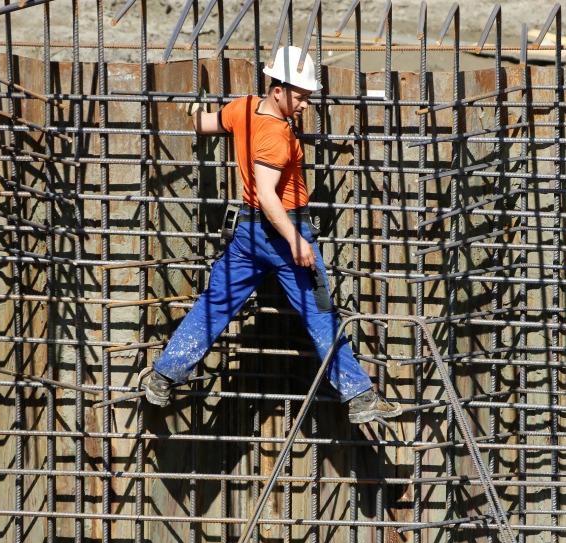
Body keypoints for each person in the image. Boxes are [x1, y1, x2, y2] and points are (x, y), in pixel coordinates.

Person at [144, 45, 400, 425]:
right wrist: (296, 243)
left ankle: (163, 376)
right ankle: (359, 395)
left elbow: (204, 123)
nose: (304, 105)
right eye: (300, 96)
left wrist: (190, 109)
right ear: (278, 89)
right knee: (320, 313)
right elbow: (267, 195)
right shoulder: (277, 137)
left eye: (308, 97)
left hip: (247, 235)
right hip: (283, 231)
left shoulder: (243, 107)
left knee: (215, 305)